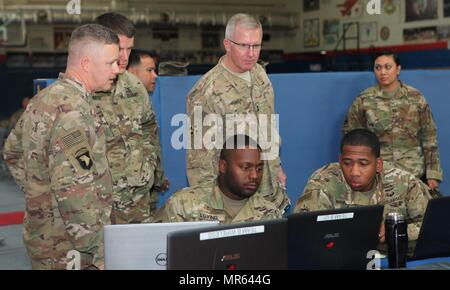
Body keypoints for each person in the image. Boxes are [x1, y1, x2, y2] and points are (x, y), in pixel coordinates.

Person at [2, 24, 120, 269]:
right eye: (111, 63)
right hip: (71, 248)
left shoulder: (44, 98)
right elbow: (75, 192)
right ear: (87, 63)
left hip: (45, 238)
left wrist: (40, 196)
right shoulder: (73, 111)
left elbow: (12, 151)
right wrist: (98, 252)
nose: (117, 70)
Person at [186, 13, 290, 214]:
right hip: (234, 201)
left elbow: (268, 128)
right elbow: (200, 164)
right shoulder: (206, 91)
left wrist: (276, 167)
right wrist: (215, 211)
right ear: (227, 44)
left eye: (256, 46)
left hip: (269, 192)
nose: (251, 53)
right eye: (244, 45)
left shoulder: (260, 75)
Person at [294, 129, 431, 242]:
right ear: (340, 161)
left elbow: (433, 225)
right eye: (347, 163)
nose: (354, 172)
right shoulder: (323, 183)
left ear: (378, 165)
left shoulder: (402, 182)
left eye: (363, 164)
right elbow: (304, 232)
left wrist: (396, 230)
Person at [95, 12, 167, 223]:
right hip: (97, 206)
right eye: (120, 49)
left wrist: (150, 170)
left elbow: (149, 130)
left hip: (135, 202)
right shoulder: (84, 88)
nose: (125, 57)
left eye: (129, 48)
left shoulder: (134, 86)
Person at [343, 51, 443, 191]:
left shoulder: (416, 98)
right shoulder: (363, 101)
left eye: (387, 67)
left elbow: (429, 137)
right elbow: (352, 138)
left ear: (398, 69)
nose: (382, 72)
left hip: (413, 173)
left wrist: (433, 174)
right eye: (378, 68)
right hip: (379, 176)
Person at [155, 135, 282, 224]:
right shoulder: (183, 205)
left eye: (259, 169)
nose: (254, 175)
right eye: (245, 167)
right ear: (223, 166)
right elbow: (159, 255)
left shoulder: (270, 214)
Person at [127, 48, 169, 214]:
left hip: (146, 193)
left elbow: (149, 146)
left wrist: (157, 179)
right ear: (132, 72)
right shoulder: (125, 107)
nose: (155, 76)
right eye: (149, 70)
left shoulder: (143, 103)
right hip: (131, 198)